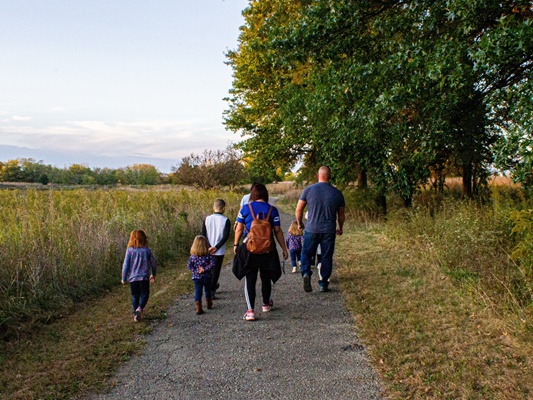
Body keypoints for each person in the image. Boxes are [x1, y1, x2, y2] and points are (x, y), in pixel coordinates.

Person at [233, 183, 289, 321]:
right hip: (267, 249)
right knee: (266, 277)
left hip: (250, 248)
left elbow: (239, 228)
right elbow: (277, 231)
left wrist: (235, 244)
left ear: (253, 195)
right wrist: (284, 248)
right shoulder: (273, 210)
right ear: (265, 194)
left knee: (250, 279)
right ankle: (265, 304)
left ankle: (250, 311)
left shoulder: (246, 209)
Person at [295, 166, 345, 293]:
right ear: (330, 177)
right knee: (326, 256)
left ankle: (306, 273)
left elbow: (299, 209)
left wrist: (300, 223)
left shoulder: (308, 190)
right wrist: (340, 227)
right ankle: (323, 283)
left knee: (306, 253)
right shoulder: (337, 193)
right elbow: (341, 215)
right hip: (328, 230)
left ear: (318, 176)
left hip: (312, 229)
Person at [121, 229, 156, 322]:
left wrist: (123, 278)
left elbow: (126, 265)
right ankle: (140, 308)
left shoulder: (130, 251)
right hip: (144, 277)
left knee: (135, 295)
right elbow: (153, 263)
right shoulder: (147, 250)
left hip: (133, 278)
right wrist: (153, 274)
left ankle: (136, 315)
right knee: (145, 294)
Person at [202, 198, 231, 299]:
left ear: (213, 207)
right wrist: (216, 247)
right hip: (219, 250)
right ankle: (211, 290)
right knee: (216, 270)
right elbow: (226, 236)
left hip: (207, 249)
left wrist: (209, 246)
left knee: (208, 269)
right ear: (223, 209)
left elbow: (203, 234)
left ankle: (208, 288)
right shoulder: (226, 220)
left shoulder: (207, 219)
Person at [187, 235, 214, 315]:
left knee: (198, 291)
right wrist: (205, 269)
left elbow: (189, 266)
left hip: (196, 277)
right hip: (207, 276)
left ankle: (198, 307)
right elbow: (213, 263)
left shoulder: (192, 257)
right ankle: (208, 302)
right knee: (207, 290)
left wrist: (196, 270)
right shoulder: (208, 256)